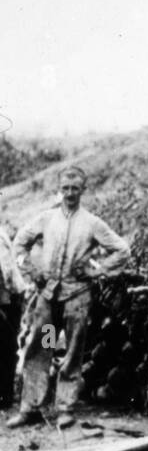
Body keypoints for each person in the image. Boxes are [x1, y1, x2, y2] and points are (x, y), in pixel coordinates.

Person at [9, 167, 129, 429]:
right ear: (59, 190)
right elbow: (20, 243)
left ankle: (65, 409)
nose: (70, 193)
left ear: (83, 191)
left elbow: (121, 251)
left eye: (75, 188)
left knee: (73, 353)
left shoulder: (92, 223)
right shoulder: (46, 219)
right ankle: (31, 407)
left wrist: (95, 270)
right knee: (41, 347)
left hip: (77, 299)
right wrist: (31, 270)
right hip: (49, 299)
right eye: (66, 188)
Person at [0, 220, 26, 409]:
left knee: (8, 347)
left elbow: (6, 272)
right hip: (11, 300)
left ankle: (7, 394)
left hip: (10, 300)